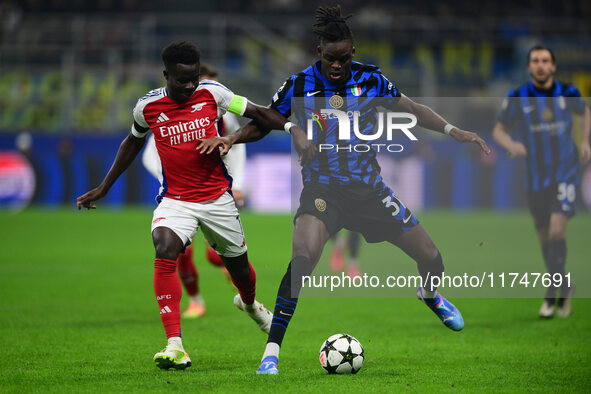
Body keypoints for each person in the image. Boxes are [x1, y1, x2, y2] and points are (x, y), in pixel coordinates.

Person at [199, 5, 490, 375]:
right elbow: (267, 120)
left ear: (352, 53)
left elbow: (413, 108)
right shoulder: (299, 84)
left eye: (343, 59)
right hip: (323, 192)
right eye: (330, 59)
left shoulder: (372, 79)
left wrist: (453, 131)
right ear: (319, 53)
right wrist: (233, 137)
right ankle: (271, 353)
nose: (337, 66)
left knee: (432, 259)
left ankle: (429, 295)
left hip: (371, 192)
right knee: (302, 262)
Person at [76, 41, 313, 370]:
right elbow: (133, 141)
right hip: (176, 201)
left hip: (218, 199)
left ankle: (250, 305)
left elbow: (260, 115)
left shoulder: (214, 93)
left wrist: (290, 128)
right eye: (182, 80)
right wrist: (104, 187)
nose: (190, 86)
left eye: (194, 78)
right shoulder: (147, 107)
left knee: (241, 271)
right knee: (164, 247)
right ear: (166, 75)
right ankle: (175, 345)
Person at [492, 45, 590, 319]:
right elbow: (498, 130)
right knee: (546, 240)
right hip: (535, 178)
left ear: (553, 66)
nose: (540, 65)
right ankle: (564, 285)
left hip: (565, 171)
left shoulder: (568, 92)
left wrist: (584, 141)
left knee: (558, 232)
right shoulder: (517, 97)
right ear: (528, 67)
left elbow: (584, 112)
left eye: (545, 60)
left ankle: (551, 294)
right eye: (535, 61)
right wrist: (512, 144)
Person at [141, 63, 246, 319]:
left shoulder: (224, 114)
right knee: (181, 254)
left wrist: (238, 182)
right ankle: (196, 301)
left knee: (214, 255)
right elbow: (148, 155)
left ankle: (238, 282)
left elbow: (238, 146)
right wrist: (170, 177)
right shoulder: (170, 112)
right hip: (179, 196)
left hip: (214, 189)